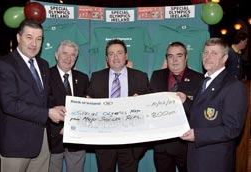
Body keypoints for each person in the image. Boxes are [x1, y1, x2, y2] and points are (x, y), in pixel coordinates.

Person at [0, 19, 66, 172]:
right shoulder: (5, 64)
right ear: (18, 38)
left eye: (39, 39)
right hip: (16, 144)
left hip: (42, 142)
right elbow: (9, 104)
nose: (34, 43)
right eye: (29, 37)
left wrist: (58, 108)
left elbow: (44, 97)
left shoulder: (43, 64)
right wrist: (47, 113)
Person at [180, 38, 248, 172]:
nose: (208, 57)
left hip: (214, 161)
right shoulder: (204, 81)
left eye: (214, 53)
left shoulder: (234, 86)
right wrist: (185, 101)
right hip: (196, 158)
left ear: (224, 58)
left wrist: (198, 135)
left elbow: (232, 129)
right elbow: (200, 112)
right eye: (205, 52)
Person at [87, 39, 151, 172]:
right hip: (105, 142)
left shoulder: (141, 77)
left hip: (131, 143)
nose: (115, 57)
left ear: (126, 56)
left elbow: (150, 107)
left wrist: (141, 103)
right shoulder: (96, 77)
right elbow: (88, 103)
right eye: (111, 54)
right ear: (106, 58)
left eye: (119, 53)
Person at [149, 41, 204, 172]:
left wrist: (186, 102)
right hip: (162, 144)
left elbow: (201, 113)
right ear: (166, 58)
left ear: (186, 57)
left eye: (179, 55)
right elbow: (150, 107)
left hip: (187, 145)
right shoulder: (156, 76)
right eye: (170, 56)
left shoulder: (199, 79)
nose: (174, 60)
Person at [47, 40, 89, 172]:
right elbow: (42, 106)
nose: (68, 58)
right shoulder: (45, 76)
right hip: (52, 139)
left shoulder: (83, 78)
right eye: (64, 53)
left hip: (76, 140)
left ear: (76, 59)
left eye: (72, 55)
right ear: (56, 55)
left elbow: (86, 108)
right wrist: (59, 128)